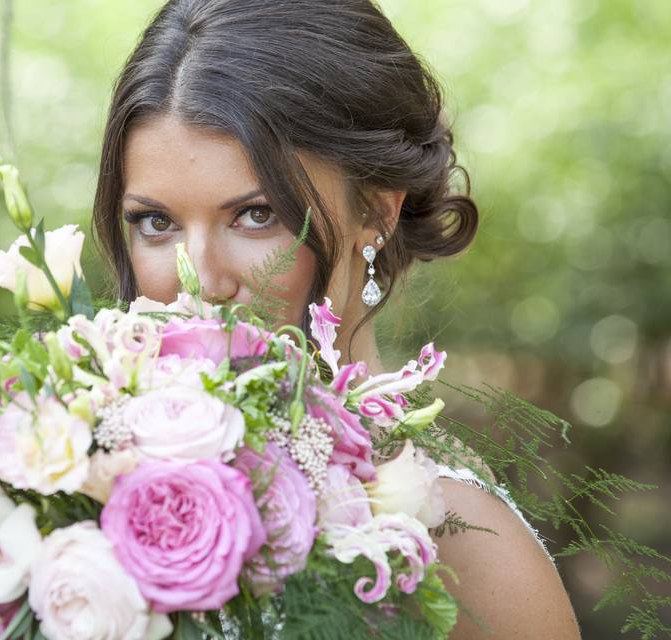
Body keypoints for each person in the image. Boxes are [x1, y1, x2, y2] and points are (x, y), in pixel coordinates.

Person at [91, 0, 582, 637]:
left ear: (375, 212)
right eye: (156, 223)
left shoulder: (465, 549)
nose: (204, 280)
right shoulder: (91, 482)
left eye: (256, 215)